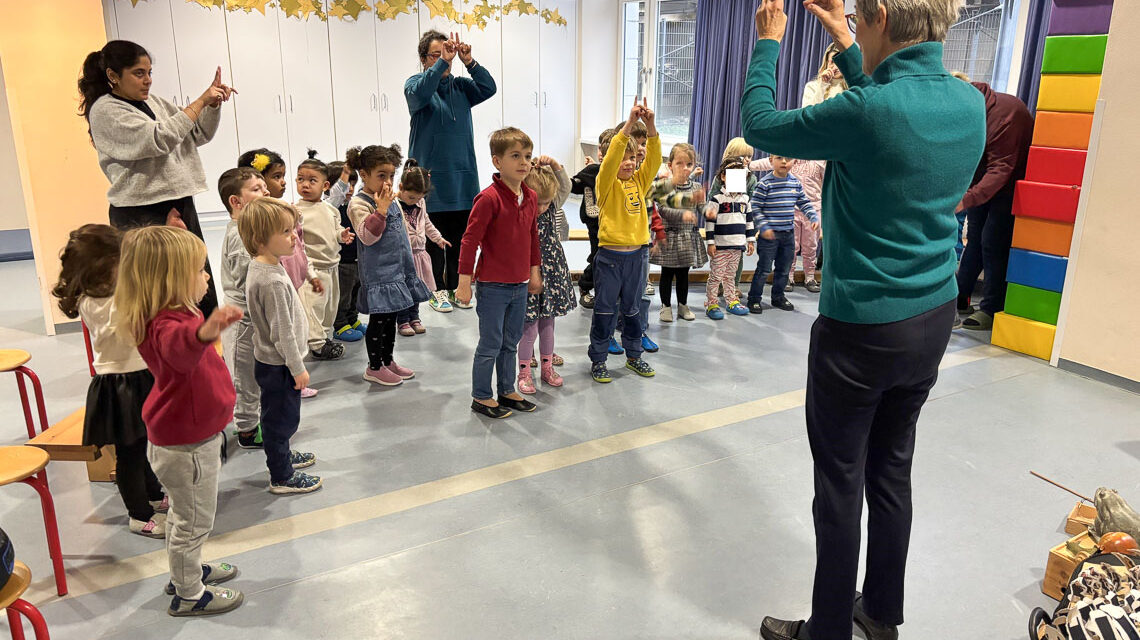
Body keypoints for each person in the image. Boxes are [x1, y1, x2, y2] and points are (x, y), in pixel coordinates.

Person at [743, 1, 986, 639]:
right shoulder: (968, 103)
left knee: (839, 485)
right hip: (933, 317)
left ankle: (827, 632)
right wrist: (847, 40)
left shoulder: (864, 112)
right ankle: (881, 616)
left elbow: (762, 124)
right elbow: (893, 98)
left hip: (860, 331)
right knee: (891, 468)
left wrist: (770, 41)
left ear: (880, 13)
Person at [114, 225, 244, 617]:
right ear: (171, 279)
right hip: (186, 445)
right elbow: (179, 351)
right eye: (199, 270)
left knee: (186, 516)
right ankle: (190, 593)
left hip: (189, 438)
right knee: (193, 520)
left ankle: (186, 571)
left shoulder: (171, 313)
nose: (207, 276)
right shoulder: (169, 326)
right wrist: (207, 331)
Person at [80, 40, 234, 317]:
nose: (148, 80)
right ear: (113, 76)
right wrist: (199, 101)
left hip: (179, 201)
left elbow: (197, 133)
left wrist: (211, 106)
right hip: (141, 212)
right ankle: (166, 357)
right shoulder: (105, 110)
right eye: (139, 73)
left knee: (198, 289)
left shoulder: (154, 102)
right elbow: (158, 139)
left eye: (150, 73)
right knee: (161, 298)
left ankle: (206, 354)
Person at [51, 224, 168, 538]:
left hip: (139, 376)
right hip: (120, 385)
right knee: (130, 452)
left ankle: (154, 494)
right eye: (123, 262)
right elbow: (129, 331)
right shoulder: (98, 303)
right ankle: (138, 514)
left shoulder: (115, 295)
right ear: (103, 267)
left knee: (143, 443)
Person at [406, 30, 497, 312]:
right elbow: (421, 93)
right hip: (431, 181)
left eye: (448, 54)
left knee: (461, 239)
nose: (446, 59)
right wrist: (440, 65)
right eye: (437, 54)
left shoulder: (460, 87)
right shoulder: (416, 85)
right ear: (424, 60)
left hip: (463, 178)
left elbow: (488, 87)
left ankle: (459, 287)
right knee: (433, 241)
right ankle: (438, 292)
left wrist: (469, 62)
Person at [455, 128, 542, 418]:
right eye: (515, 156)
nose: (523, 162)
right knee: (490, 343)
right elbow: (469, 242)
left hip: (520, 285)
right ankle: (481, 395)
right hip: (493, 286)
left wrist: (534, 273)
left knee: (510, 341)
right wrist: (464, 283)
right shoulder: (488, 199)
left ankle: (506, 390)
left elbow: (532, 238)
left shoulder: (529, 196)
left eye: (527, 156)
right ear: (497, 161)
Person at [239, 198, 322, 495]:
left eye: (293, 229)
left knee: (280, 416)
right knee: (280, 420)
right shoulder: (271, 280)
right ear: (261, 240)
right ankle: (281, 476)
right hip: (280, 364)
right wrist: (297, 367)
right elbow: (282, 331)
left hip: (274, 362)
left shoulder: (265, 266)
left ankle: (282, 456)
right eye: (286, 232)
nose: (294, 237)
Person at [345, 144, 431, 387]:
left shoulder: (390, 199)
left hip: (397, 270)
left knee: (391, 320)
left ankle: (388, 360)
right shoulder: (359, 203)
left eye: (391, 175)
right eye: (381, 175)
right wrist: (380, 210)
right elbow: (367, 236)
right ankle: (374, 367)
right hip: (379, 275)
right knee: (378, 322)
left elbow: (401, 234)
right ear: (364, 174)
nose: (388, 181)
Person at [588, 100, 661, 384]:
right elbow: (611, 160)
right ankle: (598, 359)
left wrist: (650, 125)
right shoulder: (605, 185)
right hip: (610, 259)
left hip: (637, 258)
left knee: (632, 310)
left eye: (633, 158)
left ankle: (634, 356)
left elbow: (653, 159)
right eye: (623, 158)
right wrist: (629, 124)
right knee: (605, 310)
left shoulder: (639, 182)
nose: (629, 162)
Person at [952, 78, 1034, 331]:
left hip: (1012, 184)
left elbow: (1001, 169)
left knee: (993, 242)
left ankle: (992, 307)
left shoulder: (1004, 115)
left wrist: (964, 199)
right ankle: (961, 299)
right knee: (975, 238)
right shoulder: (962, 111)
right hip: (982, 179)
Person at [217, 167, 269, 449]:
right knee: (244, 377)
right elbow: (250, 280)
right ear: (236, 202)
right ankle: (247, 429)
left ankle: (254, 419)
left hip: (253, 318)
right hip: (242, 322)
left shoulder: (249, 229)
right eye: (257, 189)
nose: (266, 192)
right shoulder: (239, 236)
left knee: (255, 376)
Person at [517, 158, 575, 394]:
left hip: (552, 273)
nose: (541, 207)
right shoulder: (521, 208)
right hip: (530, 274)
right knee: (529, 327)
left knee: (548, 324)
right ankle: (524, 372)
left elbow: (565, 187)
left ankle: (547, 367)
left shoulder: (552, 206)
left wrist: (556, 165)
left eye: (546, 202)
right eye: (538, 202)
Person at [295, 151, 355, 358]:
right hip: (313, 270)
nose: (305, 185)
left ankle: (323, 335)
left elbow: (335, 229)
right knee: (314, 307)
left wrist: (342, 235)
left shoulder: (331, 210)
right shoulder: (296, 211)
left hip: (332, 267)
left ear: (325, 186)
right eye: (301, 179)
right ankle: (317, 344)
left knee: (330, 307)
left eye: (312, 180)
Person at [747, 155, 819, 313]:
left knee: (784, 269)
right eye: (779, 158)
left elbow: (804, 202)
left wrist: (813, 216)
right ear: (771, 161)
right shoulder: (765, 183)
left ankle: (778, 296)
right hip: (769, 237)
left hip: (787, 235)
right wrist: (764, 226)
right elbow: (755, 207)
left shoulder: (794, 182)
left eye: (788, 158)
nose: (784, 162)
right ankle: (754, 298)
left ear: (795, 161)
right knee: (764, 269)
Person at [650, 143, 707, 323]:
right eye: (679, 163)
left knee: (684, 274)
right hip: (669, 238)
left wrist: (710, 210)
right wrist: (683, 215)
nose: (684, 168)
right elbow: (664, 210)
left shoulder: (696, 186)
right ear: (670, 165)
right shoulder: (665, 186)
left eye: (689, 164)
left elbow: (702, 206)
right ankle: (665, 306)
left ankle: (682, 305)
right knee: (667, 274)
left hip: (687, 239)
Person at [395, 160, 450, 336]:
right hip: (402, 256)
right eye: (412, 197)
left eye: (420, 198)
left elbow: (426, 222)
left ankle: (415, 317)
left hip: (419, 254)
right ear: (401, 187)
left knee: (416, 287)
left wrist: (437, 238)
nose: (415, 201)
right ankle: (402, 320)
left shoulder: (420, 204)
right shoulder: (393, 204)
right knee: (403, 289)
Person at [703, 158, 756, 319]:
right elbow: (710, 223)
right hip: (720, 246)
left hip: (737, 246)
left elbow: (749, 221)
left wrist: (751, 240)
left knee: (730, 276)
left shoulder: (745, 200)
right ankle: (712, 303)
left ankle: (731, 300)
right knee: (716, 276)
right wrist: (710, 243)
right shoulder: (717, 200)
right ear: (724, 177)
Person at [571, 128, 617, 309]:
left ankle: (606, 289)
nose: (600, 154)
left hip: (613, 222)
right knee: (598, 256)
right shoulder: (592, 171)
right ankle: (585, 285)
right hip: (595, 222)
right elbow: (575, 185)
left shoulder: (618, 172)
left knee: (607, 257)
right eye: (599, 149)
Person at [328, 162, 366, 342]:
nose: (350, 189)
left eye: (353, 184)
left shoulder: (353, 205)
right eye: (345, 184)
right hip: (342, 261)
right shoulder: (331, 207)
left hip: (357, 259)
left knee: (355, 292)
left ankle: (353, 319)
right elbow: (337, 194)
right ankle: (340, 323)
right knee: (342, 295)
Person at [802, 42, 849, 107]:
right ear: (826, 63)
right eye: (832, 62)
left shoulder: (853, 88)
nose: (835, 67)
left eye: (839, 62)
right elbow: (808, 114)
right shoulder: (812, 86)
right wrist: (823, 84)